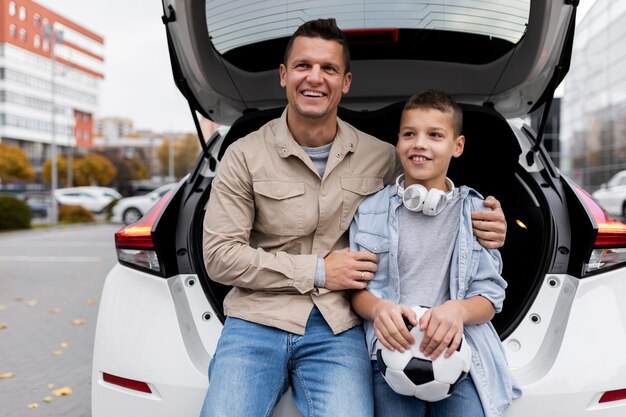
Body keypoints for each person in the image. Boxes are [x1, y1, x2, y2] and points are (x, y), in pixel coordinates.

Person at [201, 19, 507, 417]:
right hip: (255, 319)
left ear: (345, 82)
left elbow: (433, 192)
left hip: (338, 326)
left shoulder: (381, 156)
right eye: (303, 66)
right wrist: (319, 272)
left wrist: (490, 223)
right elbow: (219, 256)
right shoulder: (243, 155)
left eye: (328, 68)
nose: (315, 78)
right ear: (283, 75)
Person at [350, 90, 521, 417]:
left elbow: (490, 297)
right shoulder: (370, 210)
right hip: (389, 354)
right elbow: (356, 291)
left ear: (457, 146)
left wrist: (458, 311)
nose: (420, 144)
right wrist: (380, 309)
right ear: (397, 142)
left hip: (459, 355)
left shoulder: (476, 213)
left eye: (435, 135)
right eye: (409, 134)